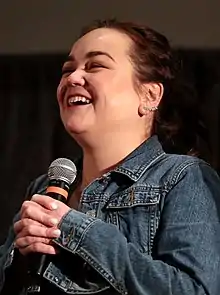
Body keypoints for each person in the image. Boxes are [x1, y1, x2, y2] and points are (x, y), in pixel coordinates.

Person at [0, 18, 220, 295]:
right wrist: (15, 258)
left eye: (95, 66)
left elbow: (195, 290)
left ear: (150, 94)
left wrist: (75, 228)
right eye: (68, 69)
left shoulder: (182, 178)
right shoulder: (44, 188)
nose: (73, 78)